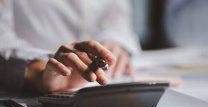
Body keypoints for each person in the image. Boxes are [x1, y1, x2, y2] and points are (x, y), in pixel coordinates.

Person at [0, 0, 141, 93]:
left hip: (107, 83)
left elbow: (117, 19)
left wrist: (116, 41)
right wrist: (35, 69)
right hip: (30, 87)